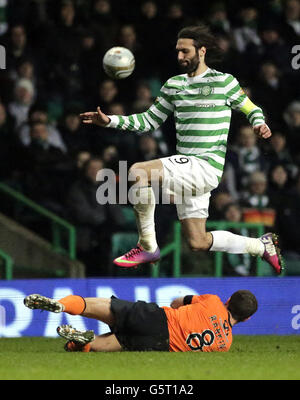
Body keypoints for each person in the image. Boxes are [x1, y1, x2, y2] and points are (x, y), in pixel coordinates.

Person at [80, 24, 283, 275]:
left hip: (206, 166)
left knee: (137, 172)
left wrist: (259, 123)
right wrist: (110, 120)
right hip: (188, 169)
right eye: (177, 51)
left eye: (185, 51)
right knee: (198, 241)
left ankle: (147, 245)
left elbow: (251, 108)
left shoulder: (224, 82)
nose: (179, 57)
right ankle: (259, 246)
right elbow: (148, 121)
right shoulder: (173, 85)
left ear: (202, 51)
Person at [24, 289, 258, 353]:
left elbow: (177, 302)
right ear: (246, 319)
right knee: (117, 343)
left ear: (229, 300)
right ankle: (86, 342)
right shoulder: (224, 344)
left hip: (159, 319)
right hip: (159, 345)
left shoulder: (214, 301)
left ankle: (62, 305)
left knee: (101, 306)